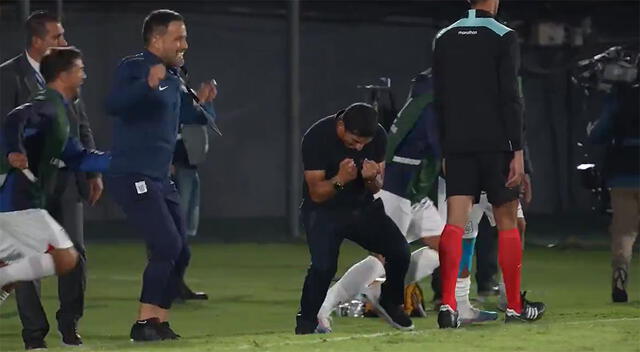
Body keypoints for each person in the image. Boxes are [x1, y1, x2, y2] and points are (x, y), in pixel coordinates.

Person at [317, 70, 496, 331]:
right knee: (382, 257)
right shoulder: (434, 106)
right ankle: (323, 307)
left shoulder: (431, 100)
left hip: (414, 192)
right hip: (396, 189)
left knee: (447, 249)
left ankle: (384, 291)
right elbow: (444, 155)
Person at [432, 0, 545, 327]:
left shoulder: (445, 36)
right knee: (507, 222)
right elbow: (511, 96)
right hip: (497, 145)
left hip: (457, 145)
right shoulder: (504, 35)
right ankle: (513, 307)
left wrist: (445, 148)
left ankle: (449, 305)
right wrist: (518, 152)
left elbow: (439, 98)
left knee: (455, 223)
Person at [105, 9, 215, 342]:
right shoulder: (134, 67)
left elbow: (191, 116)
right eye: (178, 37)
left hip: (158, 178)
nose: (185, 44)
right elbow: (112, 104)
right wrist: (146, 86)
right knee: (166, 243)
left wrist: (207, 104)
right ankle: (142, 324)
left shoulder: (173, 77)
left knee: (181, 250)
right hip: (133, 174)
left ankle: (159, 321)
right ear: (156, 39)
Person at [0, 11, 103, 348]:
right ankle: (34, 335)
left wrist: (92, 170)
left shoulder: (65, 75)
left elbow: (81, 125)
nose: (64, 42)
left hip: (67, 180)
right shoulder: (8, 77)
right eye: (57, 37)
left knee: (75, 252)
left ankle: (70, 322)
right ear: (37, 41)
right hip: (28, 184)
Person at [296, 103, 413, 334]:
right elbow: (316, 194)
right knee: (323, 267)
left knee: (400, 251)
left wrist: (371, 179)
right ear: (341, 125)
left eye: (363, 144)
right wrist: (340, 179)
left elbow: (377, 186)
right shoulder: (316, 137)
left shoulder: (378, 136)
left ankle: (390, 301)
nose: (359, 148)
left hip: (362, 209)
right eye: (354, 141)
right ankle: (306, 323)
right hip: (323, 213)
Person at [588, 83, 639, 303]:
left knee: (624, 233)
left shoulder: (621, 97)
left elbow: (598, 134)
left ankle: (620, 278)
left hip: (623, 175)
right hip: (623, 173)